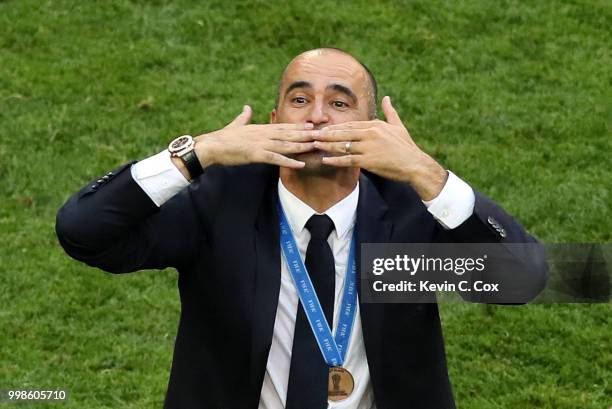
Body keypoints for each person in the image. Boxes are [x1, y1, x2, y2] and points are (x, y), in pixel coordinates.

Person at [56, 48, 548, 409]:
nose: (315, 116)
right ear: (273, 121)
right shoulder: (223, 204)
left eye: (339, 104)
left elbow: (523, 279)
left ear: (373, 128)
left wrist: (425, 172)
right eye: (299, 100)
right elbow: (84, 231)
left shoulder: (408, 213)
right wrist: (197, 154)